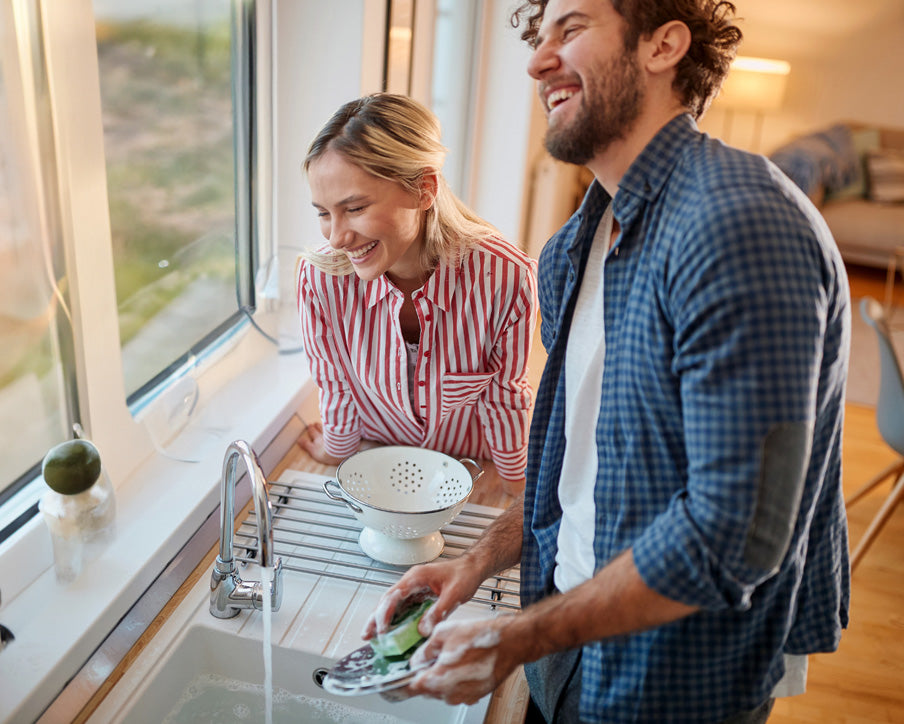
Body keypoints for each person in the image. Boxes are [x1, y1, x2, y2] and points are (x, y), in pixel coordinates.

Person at [361, 1, 851, 722]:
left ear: (663, 45)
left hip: (680, 674)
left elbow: (733, 539)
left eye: (573, 28)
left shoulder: (741, 226)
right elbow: (574, 470)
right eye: (539, 35)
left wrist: (515, 638)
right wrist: (476, 566)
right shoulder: (575, 244)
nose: (536, 60)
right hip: (570, 628)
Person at [296, 93, 539, 497]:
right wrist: (338, 450)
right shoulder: (319, 279)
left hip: (470, 467)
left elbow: (505, 394)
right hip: (376, 456)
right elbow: (334, 383)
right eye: (323, 212)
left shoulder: (506, 276)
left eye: (354, 208)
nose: (337, 237)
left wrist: (517, 487)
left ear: (424, 190)